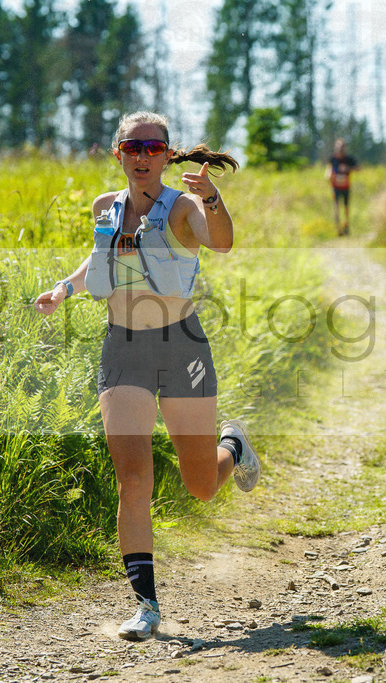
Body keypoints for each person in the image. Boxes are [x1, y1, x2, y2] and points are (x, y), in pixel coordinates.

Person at [33, 111, 261, 641]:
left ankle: (234, 445)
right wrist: (64, 289)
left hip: (181, 347)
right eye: (133, 147)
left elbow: (221, 242)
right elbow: (98, 262)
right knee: (133, 478)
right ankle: (146, 606)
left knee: (201, 486)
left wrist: (212, 198)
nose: (142, 156)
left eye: (153, 148)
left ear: (167, 155)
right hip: (123, 350)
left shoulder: (183, 207)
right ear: (118, 153)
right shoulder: (105, 207)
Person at [328, 138, 358, 236]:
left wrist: (347, 168)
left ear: (345, 148)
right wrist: (328, 176)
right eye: (338, 147)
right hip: (336, 187)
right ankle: (338, 229)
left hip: (346, 187)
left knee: (346, 208)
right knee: (336, 207)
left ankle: (346, 226)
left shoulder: (349, 159)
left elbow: (358, 168)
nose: (340, 149)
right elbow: (329, 169)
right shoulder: (333, 159)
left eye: (342, 147)